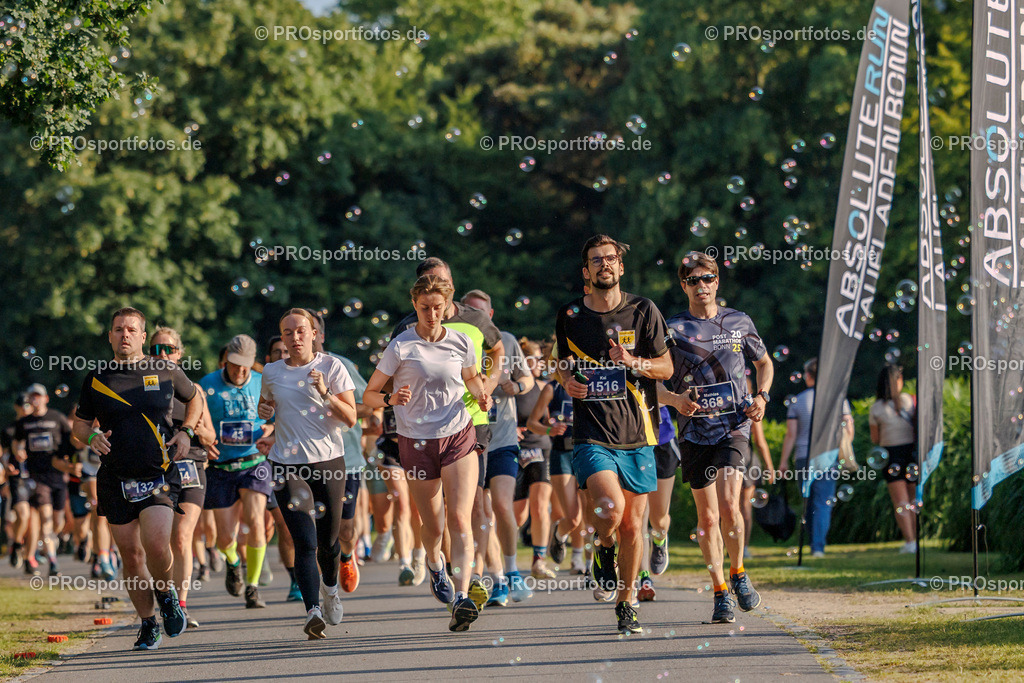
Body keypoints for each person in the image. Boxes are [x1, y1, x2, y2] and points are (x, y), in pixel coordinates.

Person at [555, 235, 673, 635]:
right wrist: (567, 380)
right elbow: (561, 364)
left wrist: (635, 361)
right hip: (592, 433)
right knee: (610, 507)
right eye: (596, 260)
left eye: (611, 259)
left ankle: (627, 603)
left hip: (639, 433)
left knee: (632, 526)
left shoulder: (643, 310)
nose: (604, 264)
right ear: (586, 271)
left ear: (621, 267)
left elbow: (666, 368)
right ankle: (602, 546)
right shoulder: (570, 315)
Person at [364, 274, 492, 632]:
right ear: (414, 306)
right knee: (433, 525)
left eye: (438, 307)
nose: (432, 314)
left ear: (448, 305)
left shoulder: (462, 341)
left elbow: (471, 378)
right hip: (415, 441)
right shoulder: (401, 347)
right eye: (425, 308)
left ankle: (463, 595)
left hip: (458, 434)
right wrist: (390, 399)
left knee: (460, 519)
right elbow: (369, 395)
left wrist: (482, 392)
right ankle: (435, 565)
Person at [71, 306, 201, 650]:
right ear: (110, 335)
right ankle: (147, 623)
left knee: (158, 545)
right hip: (115, 477)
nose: (124, 335)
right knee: (131, 556)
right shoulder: (97, 378)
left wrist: (187, 431)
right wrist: (89, 438)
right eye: (118, 329)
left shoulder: (166, 370)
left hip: (157, 473)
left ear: (143, 336)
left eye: (131, 329)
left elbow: (195, 398)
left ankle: (166, 592)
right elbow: (79, 426)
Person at [658, 251, 773, 625]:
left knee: (729, 504)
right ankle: (720, 591)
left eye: (707, 278)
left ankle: (738, 573)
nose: (701, 286)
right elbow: (649, 381)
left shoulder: (738, 322)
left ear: (717, 281)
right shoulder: (671, 329)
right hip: (693, 433)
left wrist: (762, 396)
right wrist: (676, 400)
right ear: (683, 285)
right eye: (693, 280)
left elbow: (764, 363)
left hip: (734, 427)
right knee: (707, 520)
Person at [389, 258, 505, 591]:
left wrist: (488, 385)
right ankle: (443, 563)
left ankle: (473, 579)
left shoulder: (475, 319)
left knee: (473, 504)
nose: (438, 289)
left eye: (443, 281)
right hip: (423, 433)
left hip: (471, 422)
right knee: (436, 516)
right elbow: (388, 381)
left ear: (451, 284)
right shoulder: (406, 329)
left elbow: (497, 352)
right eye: (429, 283)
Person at [257, 309, 357, 640]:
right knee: (305, 540)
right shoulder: (271, 371)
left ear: (314, 333)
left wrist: (326, 393)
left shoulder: (332, 367)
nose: (295, 337)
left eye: (301, 331)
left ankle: (330, 592)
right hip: (286, 464)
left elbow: (351, 419)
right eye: (288, 333)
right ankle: (312, 610)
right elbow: (267, 407)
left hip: (329, 461)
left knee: (329, 543)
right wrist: (265, 412)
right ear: (282, 338)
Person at [461, 289, 535, 608]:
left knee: (503, 505)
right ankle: (496, 580)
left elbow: (528, 380)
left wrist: (515, 386)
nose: (475, 319)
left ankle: (512, 569)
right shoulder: (457, 344)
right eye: (469, 312)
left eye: (481, 313)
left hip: (503, 438)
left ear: (490, 315)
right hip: (470, 441)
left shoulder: (506, 341)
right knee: (481, 512)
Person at [200, 334, 276, 609]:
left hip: (253, 462)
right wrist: (204, 442)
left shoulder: (262, 382)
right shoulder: (207, 385)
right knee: (224, 537)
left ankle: (253, 586)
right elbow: (196, 422)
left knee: (256, 521)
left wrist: (271, 429)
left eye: (245, 365)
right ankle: (233, 562)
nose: (240, 371)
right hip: (221, 467)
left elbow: (280, 417)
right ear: (226, 361)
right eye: (234, 365)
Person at [150, 327, 217, 627]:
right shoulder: (143, 386)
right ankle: (165, 595)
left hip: (191, 465)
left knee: (181, 535)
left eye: (170, 349)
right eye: (157, 349)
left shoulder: (194, 391)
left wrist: (191, 430)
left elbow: (211, 434)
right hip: (156, 469)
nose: (163, 355)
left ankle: (182, 605)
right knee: (158, 539)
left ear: (180, 353)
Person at [779, 358, 852, 558]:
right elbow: (848, 429)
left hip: (803, 456)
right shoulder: (838, 399)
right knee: (823, 502)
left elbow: (791, 435)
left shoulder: (798, 401)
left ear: (809, 376)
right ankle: (817, 546)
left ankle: (809, 542)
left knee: (808, 501)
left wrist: (783, 462)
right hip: (828, 456)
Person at [13, 384, 74, 577]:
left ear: (46, 398)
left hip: (57, 476)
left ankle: (48, 543)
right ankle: (53, 563)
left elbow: (71, 440)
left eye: (38, 396)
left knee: (57, 523)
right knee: (46, 520)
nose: (35, 399)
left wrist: (69, 461)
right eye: (32, 396)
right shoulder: (25, 422)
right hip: (37, 478)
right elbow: (16, 441)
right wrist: (18, 451)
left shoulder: (57, 418)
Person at [513, 338, 557, 581]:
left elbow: (548, 418)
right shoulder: (511, 387)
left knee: (541, 505)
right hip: (515, 452)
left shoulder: (545, 387)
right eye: (534, 359)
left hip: (541, 450)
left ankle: (539, 561)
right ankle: (504, 558)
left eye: (541, 359)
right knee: (518, 516)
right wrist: (511, 429)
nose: (540, 363)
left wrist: (552, 425)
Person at [264, 335, 301, 601]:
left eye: (285, 350)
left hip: (310, 460)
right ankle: (295, 580)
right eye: (277, 351)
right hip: (273, 463)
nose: (282, 354)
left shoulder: (308, 376)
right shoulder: (266, 379)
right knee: (284, 525)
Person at [869, 364, 918, 553]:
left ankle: (910, 541)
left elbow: (876, 439)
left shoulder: (876, 409)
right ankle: (916, 539)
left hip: (891, 455)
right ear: (898, 381)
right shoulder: (908, 401)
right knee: (914, 499)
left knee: (901, 502)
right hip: (911, 453)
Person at [637, 404, 683, 601]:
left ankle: (660, 539)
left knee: (658, 518)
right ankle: (644, 578)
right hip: (631, 443)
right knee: (637, 517)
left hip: (661, 441)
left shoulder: (652, 371)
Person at [741, 376, 775, 559]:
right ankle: (744, 547)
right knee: (745, 506)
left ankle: (729, 545)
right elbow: (760, 441)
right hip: (747, 459)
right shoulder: (753, 405)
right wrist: (769, 467)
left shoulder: (723, 404)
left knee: (727, 505)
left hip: (729, 458)